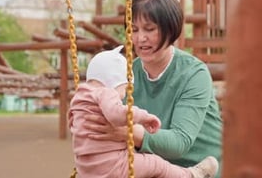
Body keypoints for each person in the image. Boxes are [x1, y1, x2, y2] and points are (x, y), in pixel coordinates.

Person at [83, 0, 224, 177]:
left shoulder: (193, 74)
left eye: (149, 29)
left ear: (170, 29)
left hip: (202, 168)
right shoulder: (126, 74)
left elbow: (179, 142)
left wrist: (129, 132)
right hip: (156, 170)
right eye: (133, 30)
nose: (140, 38)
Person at [68, 45, 219, 178]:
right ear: (114, 80)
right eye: (134, 29)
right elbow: (117, 113)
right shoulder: (105, 92)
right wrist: (143, 118)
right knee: (155, 164)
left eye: (150, 29)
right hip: (115, 164)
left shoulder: (79, 97)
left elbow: (72, 121)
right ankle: (190, 175)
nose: (124, 93)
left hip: (87, 168)